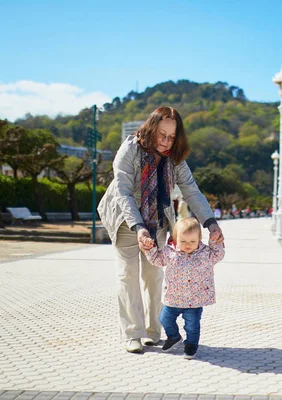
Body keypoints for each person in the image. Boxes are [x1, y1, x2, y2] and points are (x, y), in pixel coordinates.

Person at [97, 106, 224, 354]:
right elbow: (123, 191)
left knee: (154, 277)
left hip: (158, 220)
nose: (166, 142)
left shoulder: (175, 157)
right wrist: (138, 227)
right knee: (128, 275)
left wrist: (211, 223)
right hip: (126, 218)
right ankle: (132, 333)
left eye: (172, 137)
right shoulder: (130, 149)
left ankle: (153, 331)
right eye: (161, 135)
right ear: (151, 128)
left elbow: (191, 190)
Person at [143, 217, 225, 359]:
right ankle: (174, 336)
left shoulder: (205, 253)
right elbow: (156, 260)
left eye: (193, 241)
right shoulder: (170, 253)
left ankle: (191, 344)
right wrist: (150, 250)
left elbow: (219, 254)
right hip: (173, 298)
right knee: (164, 319)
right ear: (175, 239)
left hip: (195, 300)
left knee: (192, 326)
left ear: (199, 239)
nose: (188, 245)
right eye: (183, 241)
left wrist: (214, 241)